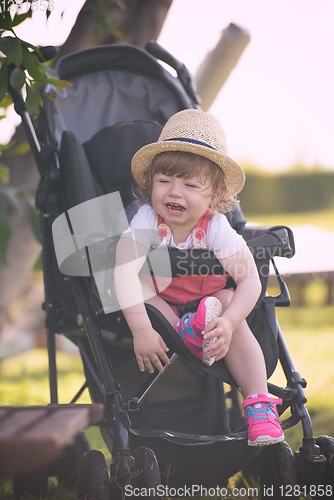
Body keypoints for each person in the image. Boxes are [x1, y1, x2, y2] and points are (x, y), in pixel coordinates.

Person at [114, 109, 284, 446]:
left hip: (211, 303)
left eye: (190, 185)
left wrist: (232, 322)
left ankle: (259, 404)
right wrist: (141, 330)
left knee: (227, 300)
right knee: (143, 290)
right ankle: (186, 330)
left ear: (215, 197)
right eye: (164, 181)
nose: (174, 193)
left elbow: (249, 280)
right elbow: (122, 272)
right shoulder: (147, 220)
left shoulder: (216, 228)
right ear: (151, 183)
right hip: (162, 304)